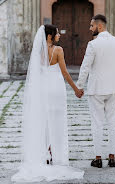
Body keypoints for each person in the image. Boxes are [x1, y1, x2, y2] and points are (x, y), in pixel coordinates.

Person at [11, 24, 84, 182]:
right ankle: (57, 156)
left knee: (43, 122)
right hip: (56, 90)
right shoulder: (58, 50)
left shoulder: (38, 52)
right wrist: (76, 89)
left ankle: (44, 153)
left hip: (43, 90)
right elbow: (64, 72)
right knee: (57, 122)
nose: (59, 36)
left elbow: (35, 75)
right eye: (57, 34)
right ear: (50, 36)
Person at [76, 14, 115, 168]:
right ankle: (112, 157)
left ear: (100, 26)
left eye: (92, 26)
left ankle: (98, 158)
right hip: (114, 88)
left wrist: (80, 86)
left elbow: (85, 66)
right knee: (112, 122)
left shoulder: (93, 45)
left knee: (97, 123)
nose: (90, 28)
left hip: (97, 89)